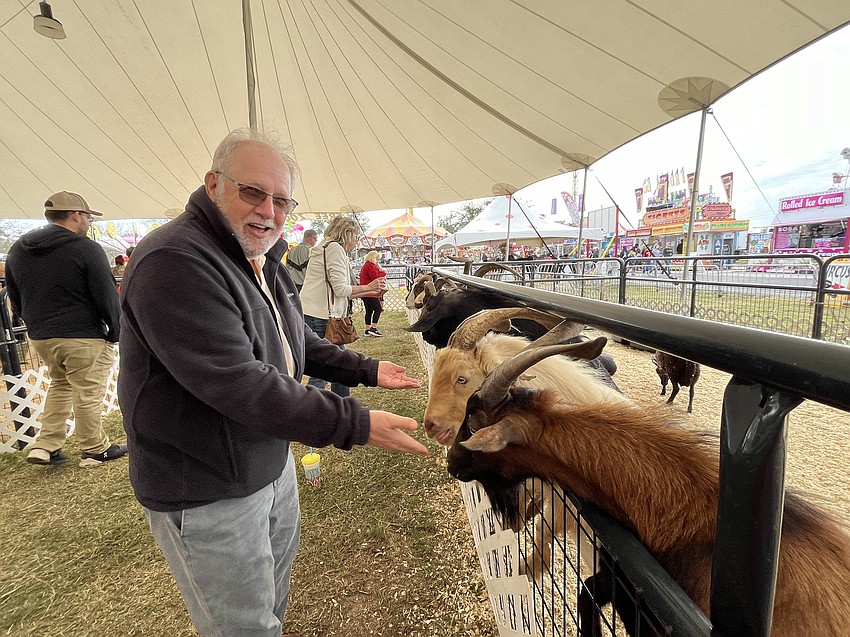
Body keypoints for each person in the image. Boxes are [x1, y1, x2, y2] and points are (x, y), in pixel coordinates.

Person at [118, 128, 427, 637]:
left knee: (269, 604)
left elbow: (292, 342)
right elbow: (242, 382)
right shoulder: (175, 260)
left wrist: (365, 369)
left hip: (267, 458)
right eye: (253, 192)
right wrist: (355, 422)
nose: (269, 211)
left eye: (281, 201)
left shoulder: (259, 254)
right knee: (242, 625)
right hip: (206, 482)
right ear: (213, 184)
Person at [5, 191, 126, 466]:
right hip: (83, 335)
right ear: (76, 215)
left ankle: (45, 446)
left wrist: (32, 323)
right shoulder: (85, 248)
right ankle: (95, 448)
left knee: (60, 385)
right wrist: (115, 330)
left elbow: (14, 294)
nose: (88, 222)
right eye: (87, 217)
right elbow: (106, 293)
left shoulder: (19, 248)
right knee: (87, 391)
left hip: (41, 336)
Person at [300, 216, 386, 397]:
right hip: (321, 317)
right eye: (355, 236)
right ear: (346, 234)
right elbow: (340, 289)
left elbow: (341, 290)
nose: (357, 241)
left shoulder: (327, 246)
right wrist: (370, 287)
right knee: (323, 370)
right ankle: (315, 410)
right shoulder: (334, 249)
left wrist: (370, 291)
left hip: (317, 314)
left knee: (340, 367)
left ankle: (343, 404)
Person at [359, 250, 387, 336]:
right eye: (377, 259)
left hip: (365, 291)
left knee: (369, 311)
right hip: (371, 292)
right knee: (378, 309)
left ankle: (367, 329)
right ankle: (373, 328)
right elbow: (375, 277)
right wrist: (383, 272)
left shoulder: (366, 265)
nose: (378, 261)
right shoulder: (370, 266)